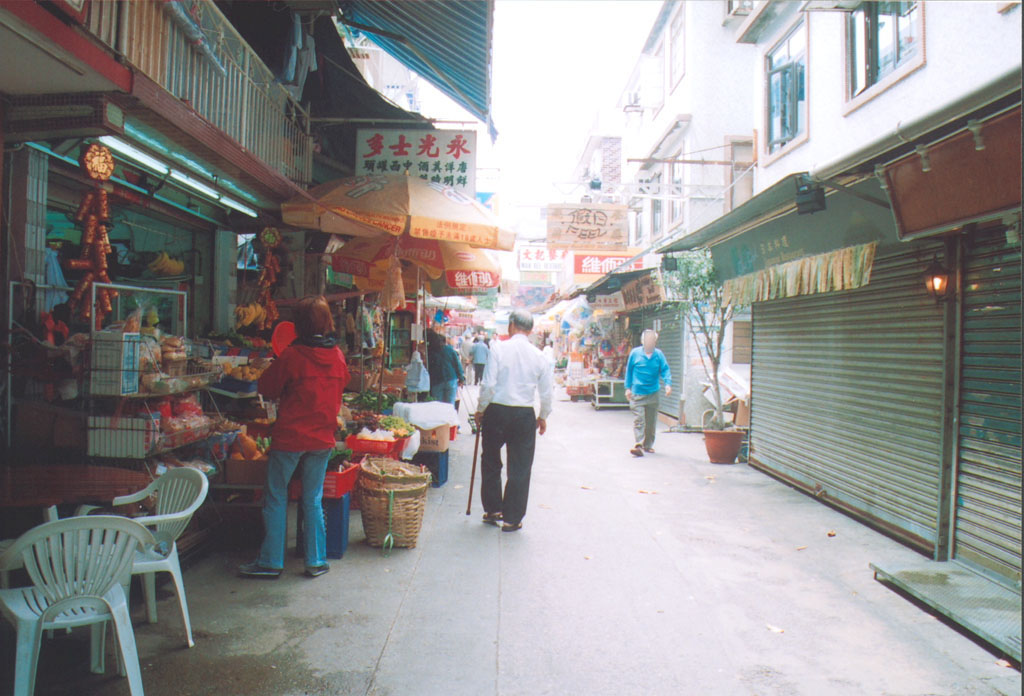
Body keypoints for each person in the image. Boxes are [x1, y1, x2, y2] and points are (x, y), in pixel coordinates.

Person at [240, 295, 349, 579]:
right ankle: (316, 560)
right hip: (323, 438)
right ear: (327, 322)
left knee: (276, 496)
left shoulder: (292, 355)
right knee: (312, 499)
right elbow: (342, 383)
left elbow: (268, 387)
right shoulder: (337, 356)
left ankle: (271, 562)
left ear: (298, 325)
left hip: (290, 437)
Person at [475, 310, 554, 532]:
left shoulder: (498, 348)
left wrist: (481, 409)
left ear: (511, 326)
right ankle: (512, 517)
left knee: (490, 460)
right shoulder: (539, 356)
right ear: (530, 331)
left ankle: (493, 509)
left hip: (497, 411)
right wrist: (543, 416)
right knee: (520, 466)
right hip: (523, 414)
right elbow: (547, 392)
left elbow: (488, 384)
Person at [624, 329, 672, 457]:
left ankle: (648, 445)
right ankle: (638, 444)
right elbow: (629, 371)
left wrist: (668, 384)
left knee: (651, 422)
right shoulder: (635, 354)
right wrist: (627, 388)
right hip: (637, 393)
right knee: (639, 419)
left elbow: (665, 370)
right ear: (643, 341)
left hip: (653, 393)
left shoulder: (659, 355)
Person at [427, 330, 464, 405]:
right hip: (451, 379)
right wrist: (461, 378)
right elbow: (457, 364)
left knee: (438, 405)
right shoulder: (449, 350)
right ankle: (449, 416)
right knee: (450, 405)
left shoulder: (430, 351)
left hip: (437, 381)